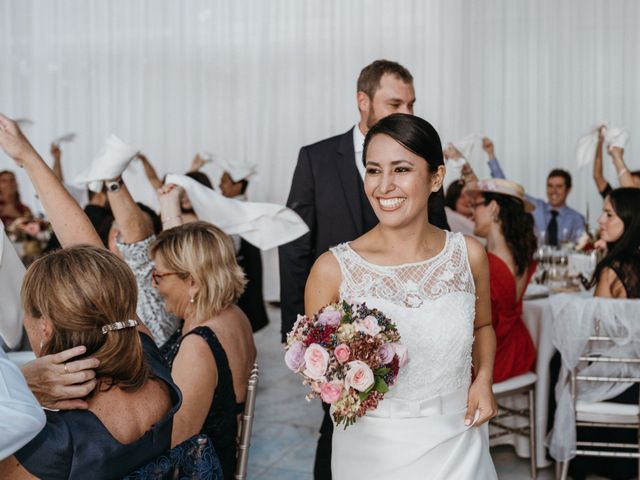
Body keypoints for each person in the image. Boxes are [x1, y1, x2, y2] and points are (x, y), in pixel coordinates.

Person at [279, 59, 448, 479]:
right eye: (395, 102)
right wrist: (302, 335)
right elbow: (295, 247)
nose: (406, 113)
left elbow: (437, 233)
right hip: (341, 332)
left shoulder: (422, 162)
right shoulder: (316, 158)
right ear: (363, 102)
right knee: (339, 427)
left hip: (412, 324)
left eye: (411, 103)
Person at [306, 113, 497, 479]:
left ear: (436, 178)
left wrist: (483, 379)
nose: (384, 186)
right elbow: (322, 374)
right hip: (371, 451)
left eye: (402, 169)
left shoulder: (468, 255)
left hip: (459, 440)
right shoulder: (332, 269)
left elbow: (484, 325)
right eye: (374, 170)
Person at [0, 114, 181, 479]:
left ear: (46, 327)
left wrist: (18, 390)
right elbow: (89, 254)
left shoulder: (51, 444)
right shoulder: (150, 368)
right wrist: (28, 156)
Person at [153, 187, 256, 479]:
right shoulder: (233, 314)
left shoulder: (198, 345)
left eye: (159, 276)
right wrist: (169, 207)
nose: (155, 285)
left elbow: (175, 442)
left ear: (194, 282)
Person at [465, 178, 537, 383]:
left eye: (476, 205)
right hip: (518, 350)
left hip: (493, 359)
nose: (471, 213)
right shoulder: (521, 257)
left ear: (494, 207)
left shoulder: (489, 264)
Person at [476, 137, 585, 244]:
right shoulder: (535, 207)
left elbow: (581, 248)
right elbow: (507, 189)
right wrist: (491, 155)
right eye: (550, 186)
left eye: (559, 186)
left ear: (568, 189)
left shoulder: (577, 218)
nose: (553, 191)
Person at [217, 169, 269, 332]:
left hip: (240, 267)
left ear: (238, 185)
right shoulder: (233, 206)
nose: (220, 185)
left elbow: (234, 245)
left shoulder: (239, 209)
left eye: (224, 180)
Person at [593, 131, 640, 198]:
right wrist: (600, 141)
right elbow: (597, 176)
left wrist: (617, 157)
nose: (625, 183)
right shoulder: (613, 201)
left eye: (636, 184)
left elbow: (630, 190)